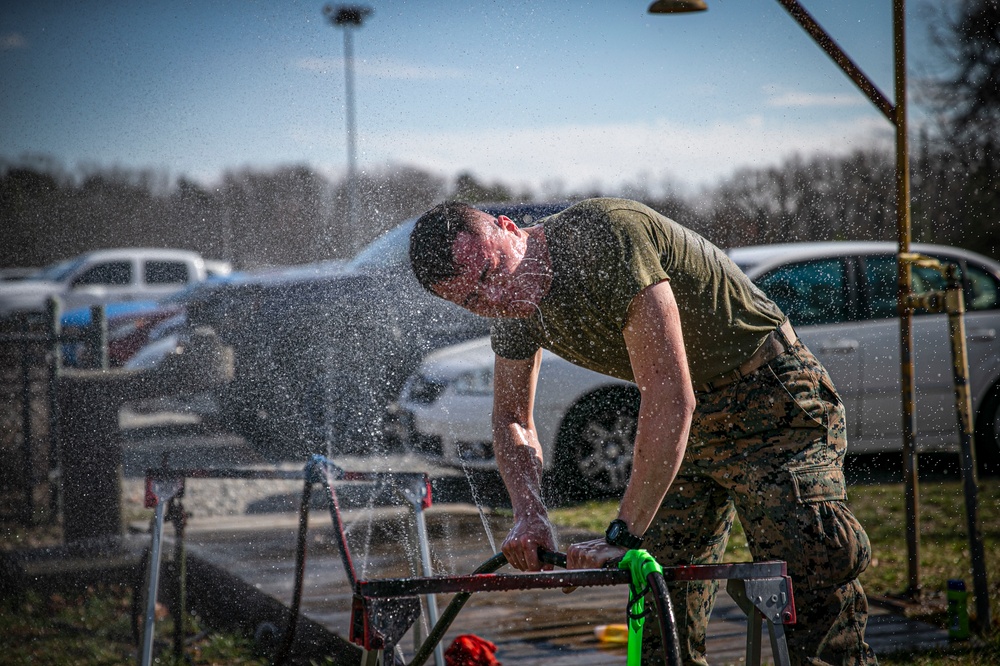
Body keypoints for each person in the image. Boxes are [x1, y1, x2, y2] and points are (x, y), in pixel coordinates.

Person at [408, 197, 876, 666]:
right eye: (471, 300)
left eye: (491, 273)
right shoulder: (511, 312)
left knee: (809, 577)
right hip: (684, 424)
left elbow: (672, 396)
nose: (494, 298)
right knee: (657, 602)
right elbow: (511, 418)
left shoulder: (605, 236)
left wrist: (621, 532)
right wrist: (529, 513)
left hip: (768, 392)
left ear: (509, 228)